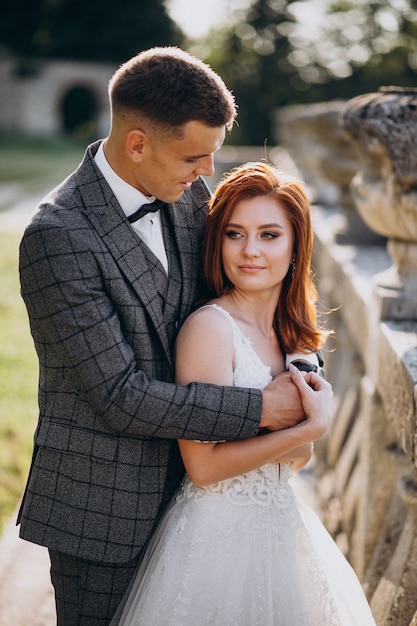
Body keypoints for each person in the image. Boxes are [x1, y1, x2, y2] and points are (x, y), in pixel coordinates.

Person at [17, 48, 306, 626]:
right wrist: (261, 408)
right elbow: (120, 394)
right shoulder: (56, 237)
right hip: (103, 511)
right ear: (138, 144)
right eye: (195, 156)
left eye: (212, 156)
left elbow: (242, 291)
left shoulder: (187, 193)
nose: (207, 172)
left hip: (204, 504)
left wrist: (298, 359)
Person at [112, 162, 376, 625]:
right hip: (216, 538)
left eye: (269, 235)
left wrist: (303, 435)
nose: (249, 250)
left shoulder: (291, 335)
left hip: (281, 526)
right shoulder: (210, 328)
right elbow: (204, 467)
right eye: (234, 233)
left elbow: (298, 459)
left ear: (297, 245)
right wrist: (312, 425)